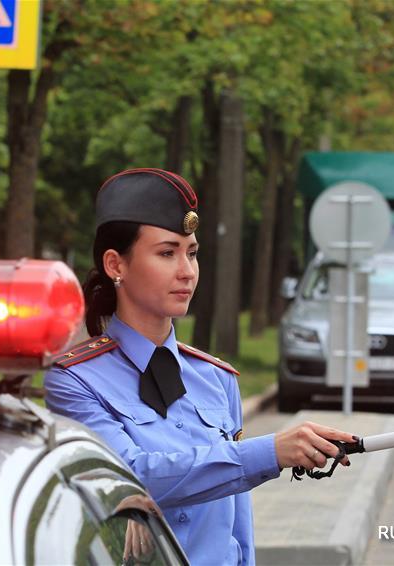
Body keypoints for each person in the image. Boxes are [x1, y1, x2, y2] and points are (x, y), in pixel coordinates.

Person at [43, 168, 355, 565]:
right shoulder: (74, 381)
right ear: (115, 264)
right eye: (166, 253)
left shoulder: (216, 378)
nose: (187, 271)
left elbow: (238, 521)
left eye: (191, 253)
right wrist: (272, 452)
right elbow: (131, 479)